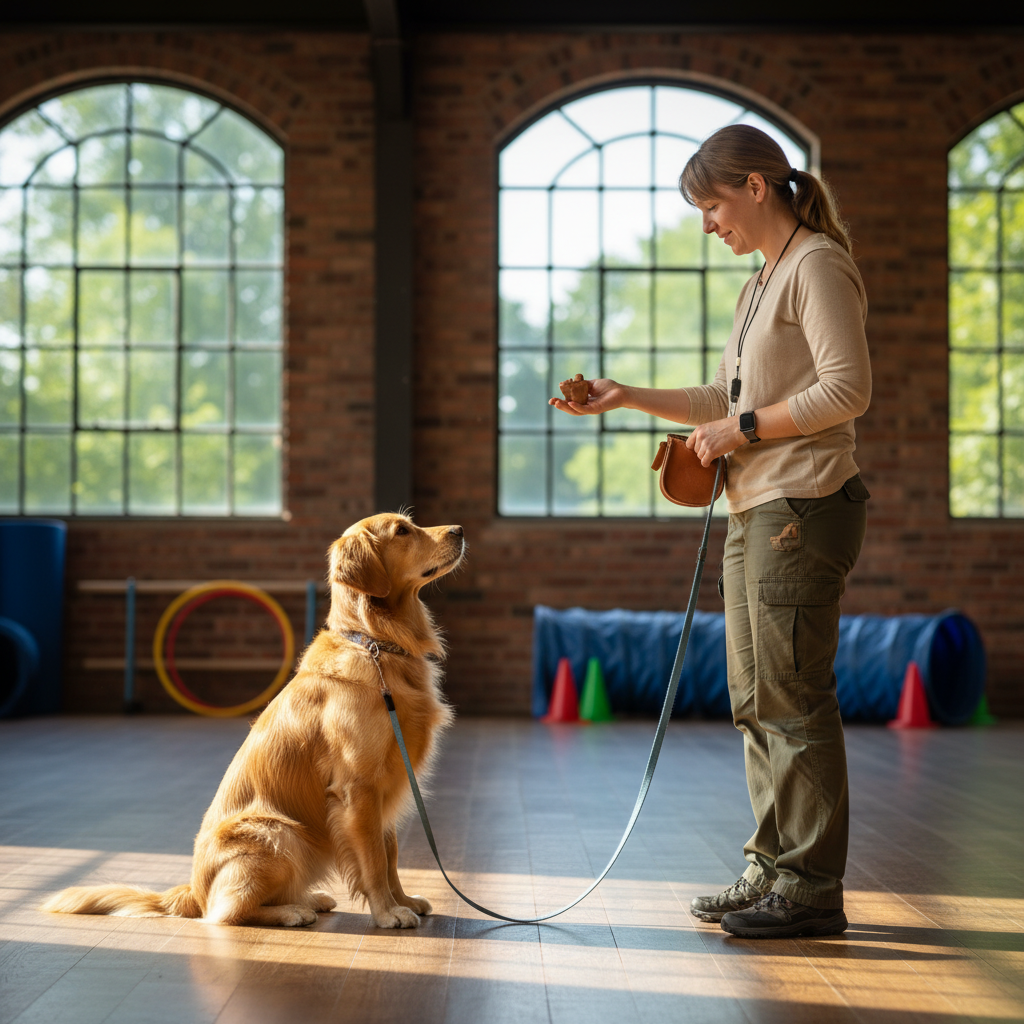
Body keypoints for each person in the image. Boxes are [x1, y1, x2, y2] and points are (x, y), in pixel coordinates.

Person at [549, 124, 871, 939]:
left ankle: (808, 889)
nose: (708, 223)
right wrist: (626, 397)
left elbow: (847, 391)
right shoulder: (761, 280)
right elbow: (722, 401)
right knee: (754, 700)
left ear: (756, 188)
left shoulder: (817, 266)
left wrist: (746, 430)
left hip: (802, 507)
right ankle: (771, 866)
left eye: (713, 205)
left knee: (793, 701)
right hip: (754, 509)